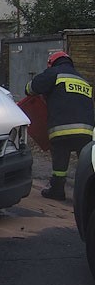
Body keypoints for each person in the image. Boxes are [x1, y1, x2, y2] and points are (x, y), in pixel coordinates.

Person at [26, 51, 95, 200]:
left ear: (52, 62)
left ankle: (57, 190)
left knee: (60, 165)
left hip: (61, 129)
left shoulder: (54, 73)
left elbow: (31, 88)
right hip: (86, 131)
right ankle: (89, 195)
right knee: (86, 165)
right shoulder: (83, 80)